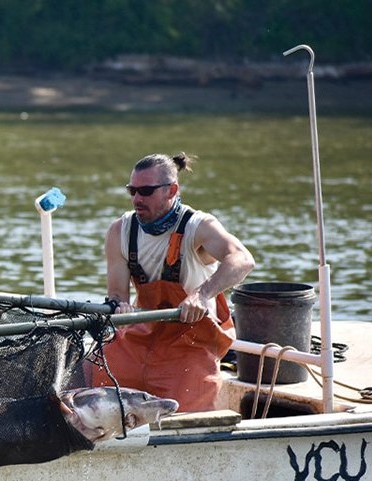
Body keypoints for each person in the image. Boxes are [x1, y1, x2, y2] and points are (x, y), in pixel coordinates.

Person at [89, 152, 255, 412]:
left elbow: (243, 259)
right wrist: (120, 305)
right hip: (141, 334)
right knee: (94, 379)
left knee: (185, 408)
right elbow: (117, 293)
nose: (136, 199)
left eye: (145, 191)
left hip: (190, 339)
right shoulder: (120, 231)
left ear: (172, 190)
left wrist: (201, 295)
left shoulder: (197, 226)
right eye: (132, 190)